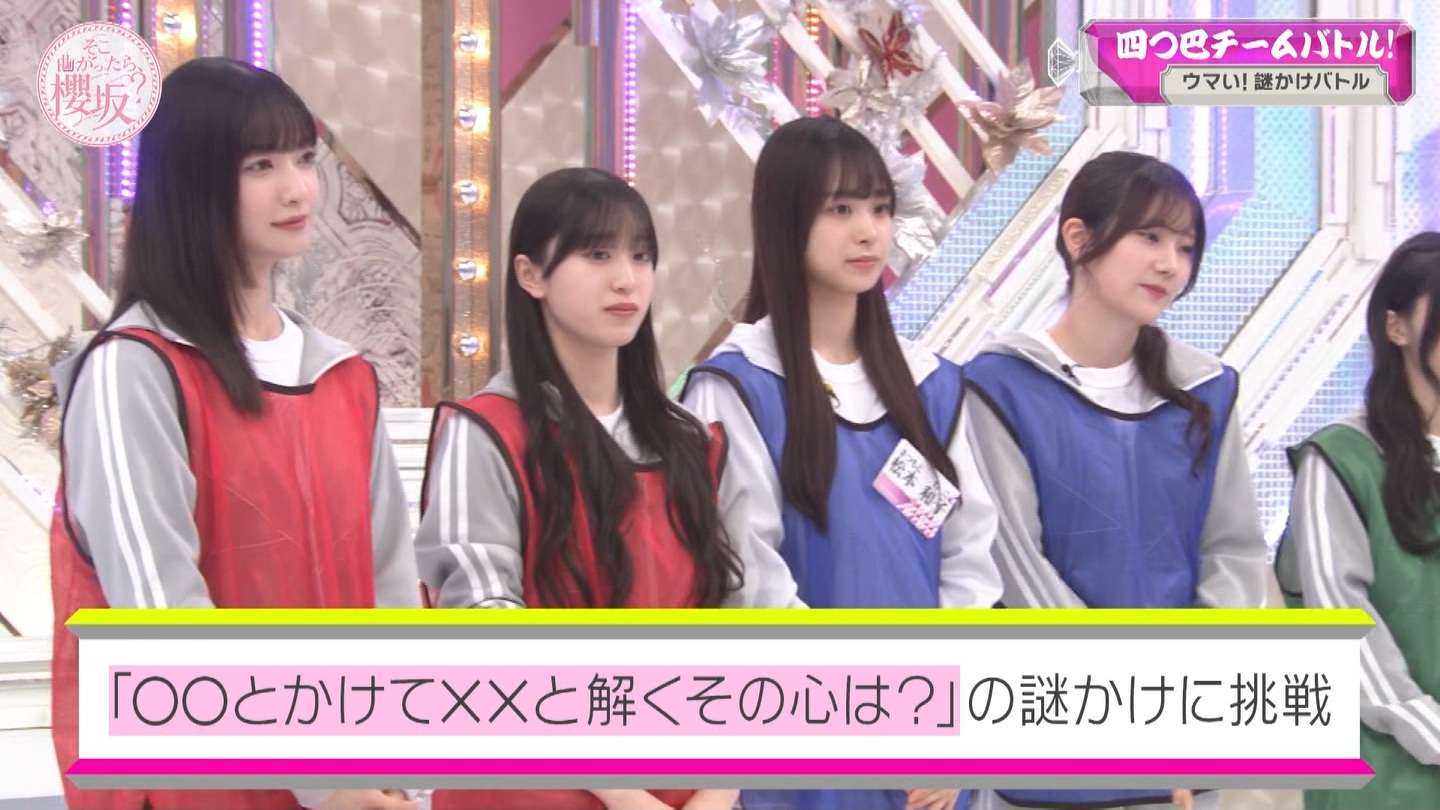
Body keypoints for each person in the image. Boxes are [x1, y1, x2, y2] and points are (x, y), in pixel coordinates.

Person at [47, 58, 419, 810]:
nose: (298, 189)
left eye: (304, 159)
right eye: (260, 166)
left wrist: (395, 764)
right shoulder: (133, 369)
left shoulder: (343, 377)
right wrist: (324, 780)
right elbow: (159, 617)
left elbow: (390, 588)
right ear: (190, 182)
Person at [418, 166, 804, 810]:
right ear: (530, 274)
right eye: (597, 255)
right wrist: (621, 791)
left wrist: (721, 784)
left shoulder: (693, 443)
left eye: (640, 255)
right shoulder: (487, 433)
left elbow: (750, 616)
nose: (626, 279)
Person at [681, 115, 999, 810]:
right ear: (783, 220)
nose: (868, 232)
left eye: (880, 209)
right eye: (841, 210)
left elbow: (970, 560)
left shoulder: (931, 384)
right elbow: (748, 576)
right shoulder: (737, 385)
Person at [961, 151, 1267, 810]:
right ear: (1078, 238)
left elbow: (1235, 551)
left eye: (1185, 247)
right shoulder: (1000, 386)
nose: (1170, 264)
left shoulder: (1205, 389)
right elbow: (1019, 572)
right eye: (1149, 237)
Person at [1275, 232, 1440, 809]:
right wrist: (1425, 728)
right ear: (1397, 327)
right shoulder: (1340, 459)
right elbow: (1340, 624)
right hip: (1384, 777)